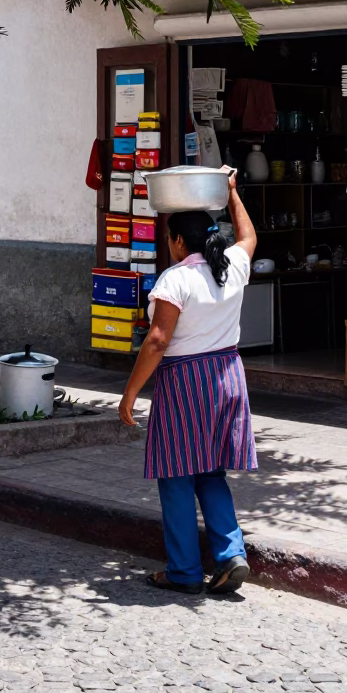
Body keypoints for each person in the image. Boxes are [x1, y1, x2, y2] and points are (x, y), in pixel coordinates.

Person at [118, 166, 257, 595]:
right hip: (228, 377)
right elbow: (248, 237)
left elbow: (157, 341)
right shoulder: (232, 265)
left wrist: (130, 394)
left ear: (178, 241)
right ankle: (231, 554)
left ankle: (183, 572)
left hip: (186, 382)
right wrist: (231, 192)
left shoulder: (175, 279)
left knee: (177, 475)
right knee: (211, 473)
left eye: (169, 238)